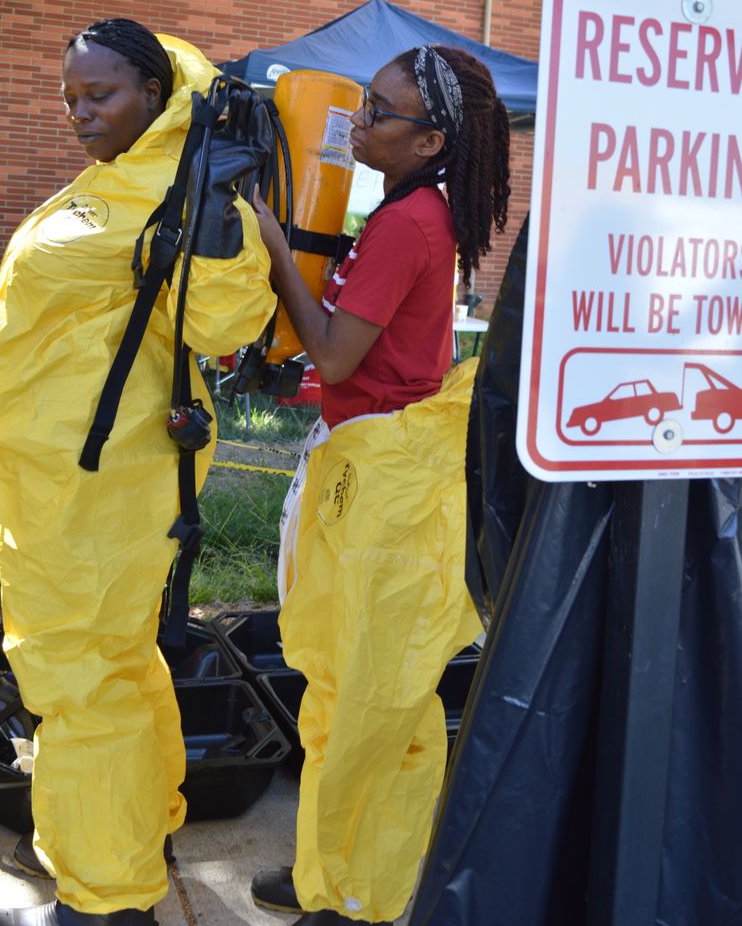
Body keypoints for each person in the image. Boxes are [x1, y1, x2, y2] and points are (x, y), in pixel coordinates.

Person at [0, 19, 276, 926]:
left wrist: (220, 228)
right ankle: (120, 851)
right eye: (69, 98)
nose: (79, 113)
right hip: (56, 485)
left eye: (98, 95)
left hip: (100, 492)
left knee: (82, 685)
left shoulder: (185, 191)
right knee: (113, 672)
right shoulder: (124, 179)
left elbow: (225, 323)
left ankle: (103, 904)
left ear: (152, 91)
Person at [249, 45, 511, 926]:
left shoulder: (410, 224)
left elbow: (333, 353)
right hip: (376, 461)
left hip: (388, 482)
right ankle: (333, 859)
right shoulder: (408, 209)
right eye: (362, 101)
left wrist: (278, 250)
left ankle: (351, 891)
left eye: (378, 110)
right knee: (346, 686)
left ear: (430, 138)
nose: (357, 120)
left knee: (371, 696)